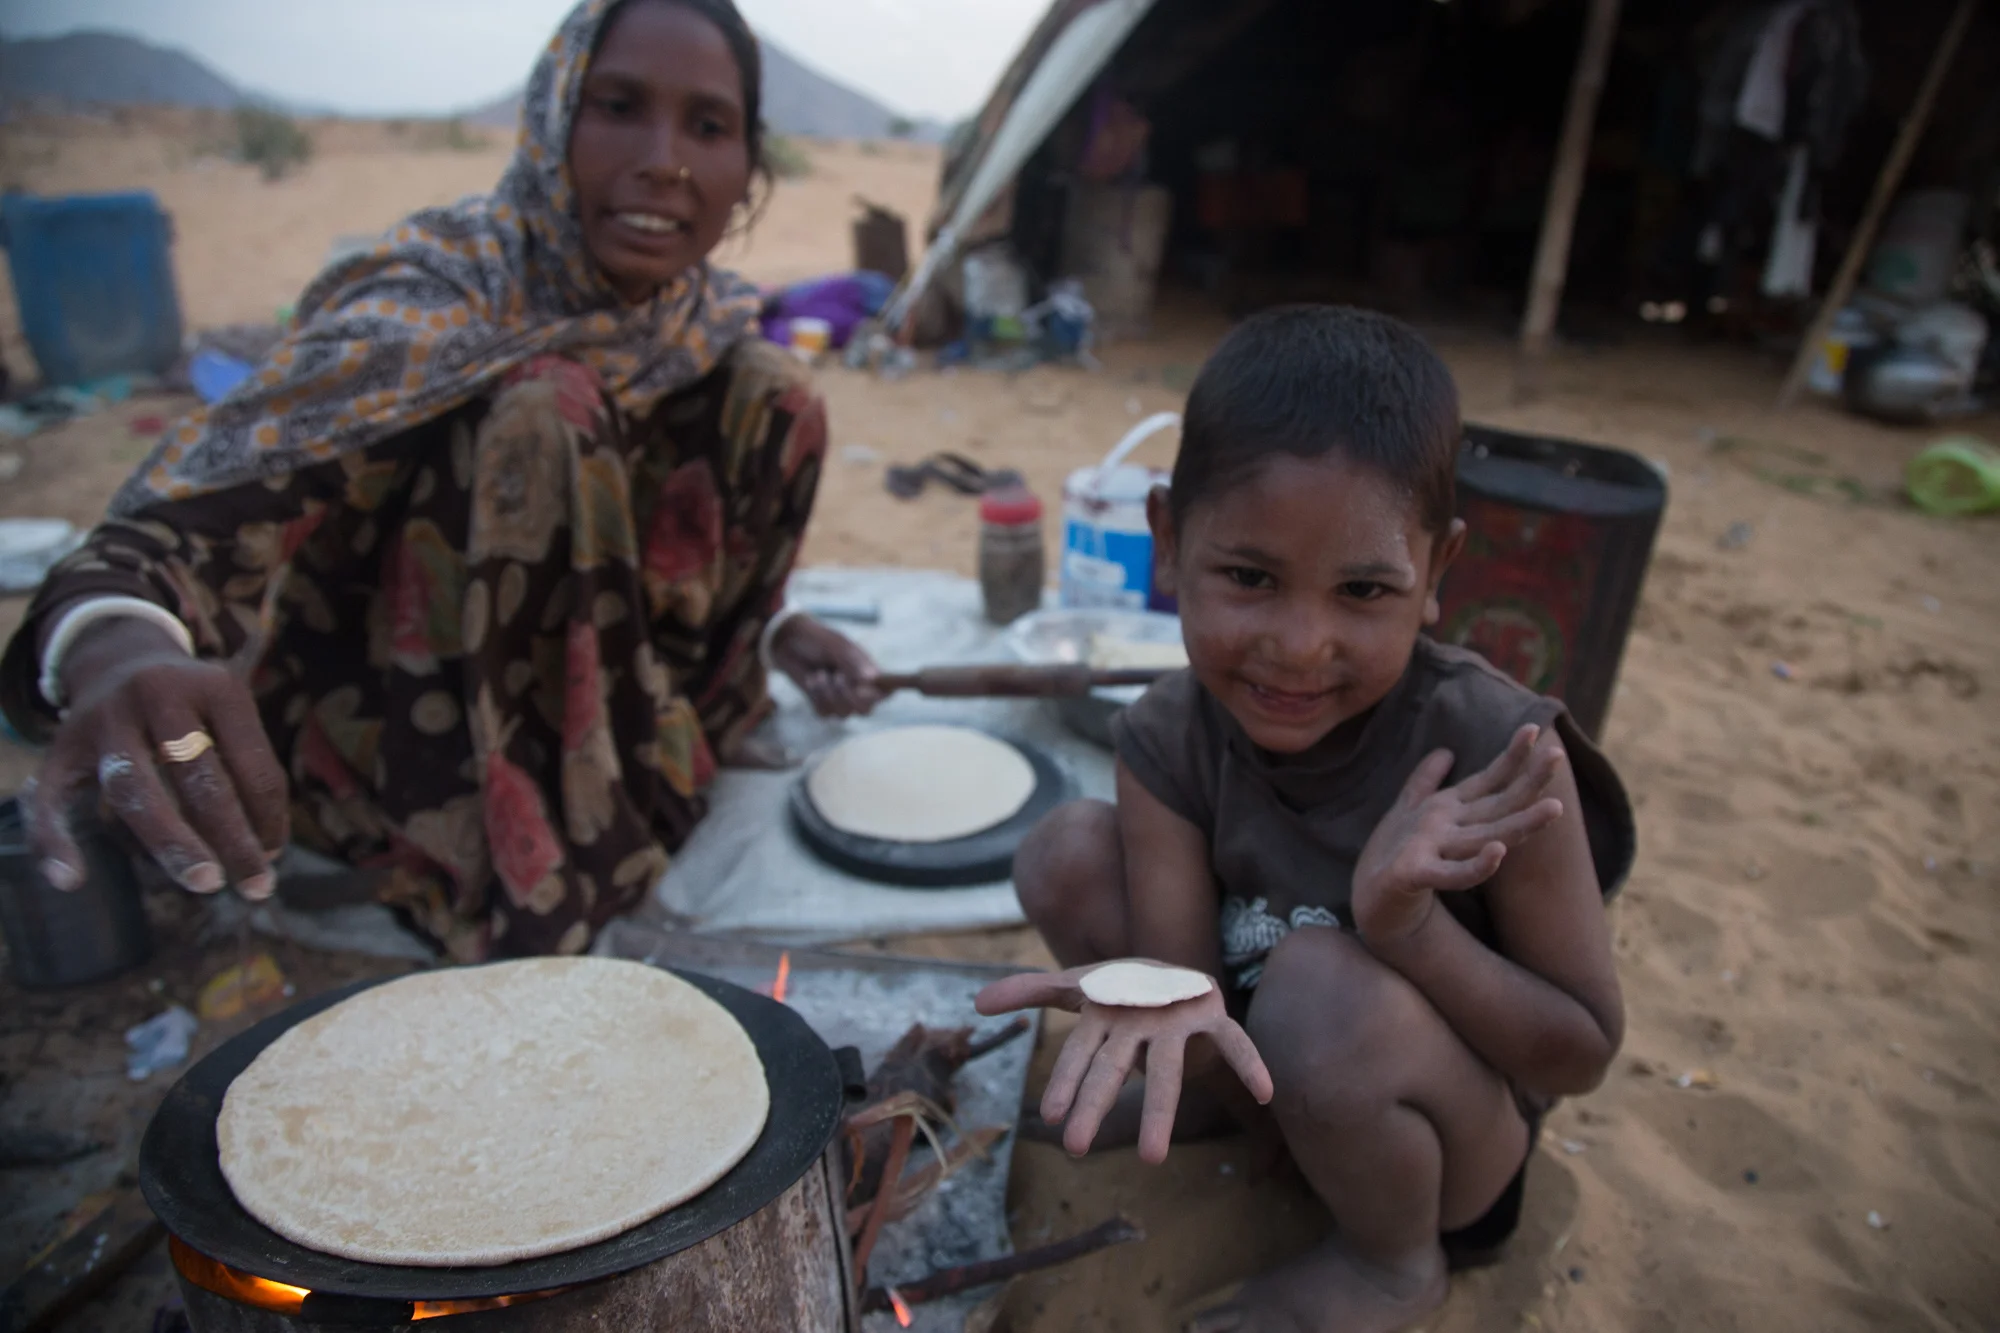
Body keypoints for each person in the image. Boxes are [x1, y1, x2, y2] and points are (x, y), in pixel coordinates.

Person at [0, 0, 883, 962]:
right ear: (550, 121)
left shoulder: (697, 322)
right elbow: (197, 514)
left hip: (629, 714)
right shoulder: (434, 300)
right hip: (410, 737)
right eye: (618, 106)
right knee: (551, 405)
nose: (667, 158)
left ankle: (642, 780)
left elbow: (670, 550)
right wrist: (114, 643)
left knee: (778, 394)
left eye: (708, 127)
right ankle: (501, 859)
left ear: (747, 166)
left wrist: (775, 628)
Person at [976, 307, 1634, 1333]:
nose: (1297, 644)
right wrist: (1162, 1013)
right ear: (1166, 541)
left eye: (1363, 589)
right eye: (1248, 577)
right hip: (1263, 1077)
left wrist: (1406, 929)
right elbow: (1185, 981)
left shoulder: (1500, 756)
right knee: (1064, 849)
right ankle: (1201, 1111)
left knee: (1319, 981)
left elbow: (1579, 1053)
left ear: (1435, 576)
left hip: (1450, 1161)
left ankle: (1388, 1266)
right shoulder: (1164, 736)